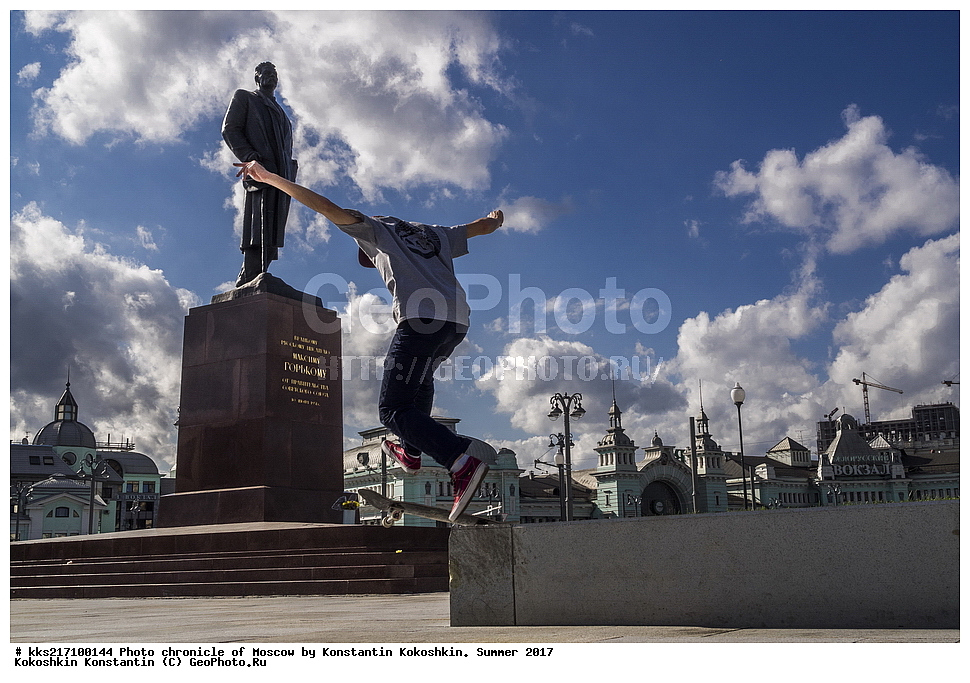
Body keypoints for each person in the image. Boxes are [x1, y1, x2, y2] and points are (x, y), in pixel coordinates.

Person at [234, 159, 503, 521]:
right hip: (456, 322)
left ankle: (460, 460)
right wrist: (497, 218)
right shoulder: (436, 233)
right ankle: (410, 451)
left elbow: (324, 206)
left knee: (391, 409)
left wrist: (267, 177)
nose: (372, 262)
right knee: (419, 382)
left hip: (420, 318)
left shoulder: (375, 230)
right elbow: (482, 226)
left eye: (369, 259)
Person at [222, 62, 298, 286]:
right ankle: (250, 272)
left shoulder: (283, 115)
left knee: (275, 226)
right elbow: (230, 128)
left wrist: (291, 167)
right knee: (259, 221)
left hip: (282, 175)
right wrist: (250, 157)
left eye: (274, 73)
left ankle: (261, 270)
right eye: (265, 73)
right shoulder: (245, 98)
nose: (270, 76)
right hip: (260, 171)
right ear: (257, 78)